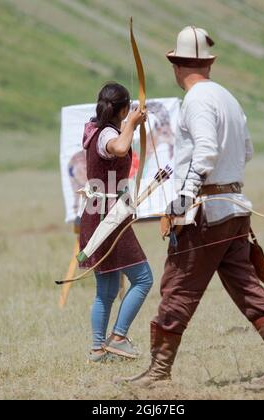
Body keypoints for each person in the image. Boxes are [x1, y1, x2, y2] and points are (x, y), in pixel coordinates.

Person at [118, 26, 264, 385]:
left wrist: (185, 195)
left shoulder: (196, 101)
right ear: (207, 64)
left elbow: (207, 149)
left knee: (178, 286)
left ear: (177, 66)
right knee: (245, 285)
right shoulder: (227, 97)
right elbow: (247, 152)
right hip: (233, 209)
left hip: (206, 213)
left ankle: (159, 370)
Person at [79, 83, 153, 362]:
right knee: (144, 279)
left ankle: (99, 349)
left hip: (98, 214)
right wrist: (132, 124)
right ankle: (118, 338)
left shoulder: (93, 127)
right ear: (122, 109)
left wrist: (131, 123)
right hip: (107, 218)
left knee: (107, 289)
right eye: (128, 108)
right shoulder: (108, 133)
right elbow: (120, 147)